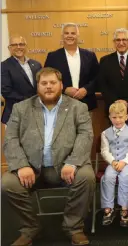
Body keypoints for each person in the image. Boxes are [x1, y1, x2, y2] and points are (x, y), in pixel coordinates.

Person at [1, 67, 95, 246]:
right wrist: (21, 166)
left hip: (66, 166)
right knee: (7, 184)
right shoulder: (21, 108)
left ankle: (73, 227)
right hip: (31, 167)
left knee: (87, 177)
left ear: (61, 85)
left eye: (53, 83)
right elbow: (10, 138)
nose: (48, 87)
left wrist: (73, 162)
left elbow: (86, 136)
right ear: (38, 86)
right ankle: (30, 228)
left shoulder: (78, 107)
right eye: (44, 83)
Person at [100, 102, 128, 227]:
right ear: (110, 117)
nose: (117, 120)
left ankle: (124, 208)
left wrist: (124, 161)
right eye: (114, 117)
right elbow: (104, 151)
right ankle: (108, 208)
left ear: (126, 117)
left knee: (124, 178)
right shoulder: (105, 133)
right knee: (108, 177)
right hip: (113, 163)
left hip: (127, 163)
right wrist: (112, 161)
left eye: (121, 117)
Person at [45, 23, 99, 112]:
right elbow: (48, 79)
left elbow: (97, 78)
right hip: (60, 105)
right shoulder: (53, 57)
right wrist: (65, 89)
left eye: (73, 33)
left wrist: (86, 89)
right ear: (62, 36)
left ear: (78, 35)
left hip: (86, 105)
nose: (70, 36)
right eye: (66, 33)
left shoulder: (90, 56)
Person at [1, 35, 42, 125]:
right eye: (15, 45)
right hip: (15, 114)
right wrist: (30, 100)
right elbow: (6, 91)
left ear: (26, 46)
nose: (18, 47)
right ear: (9, 48)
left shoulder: (37, 64)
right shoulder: (4, 66)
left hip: (37, 112)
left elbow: (41, 85)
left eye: (21, 44)